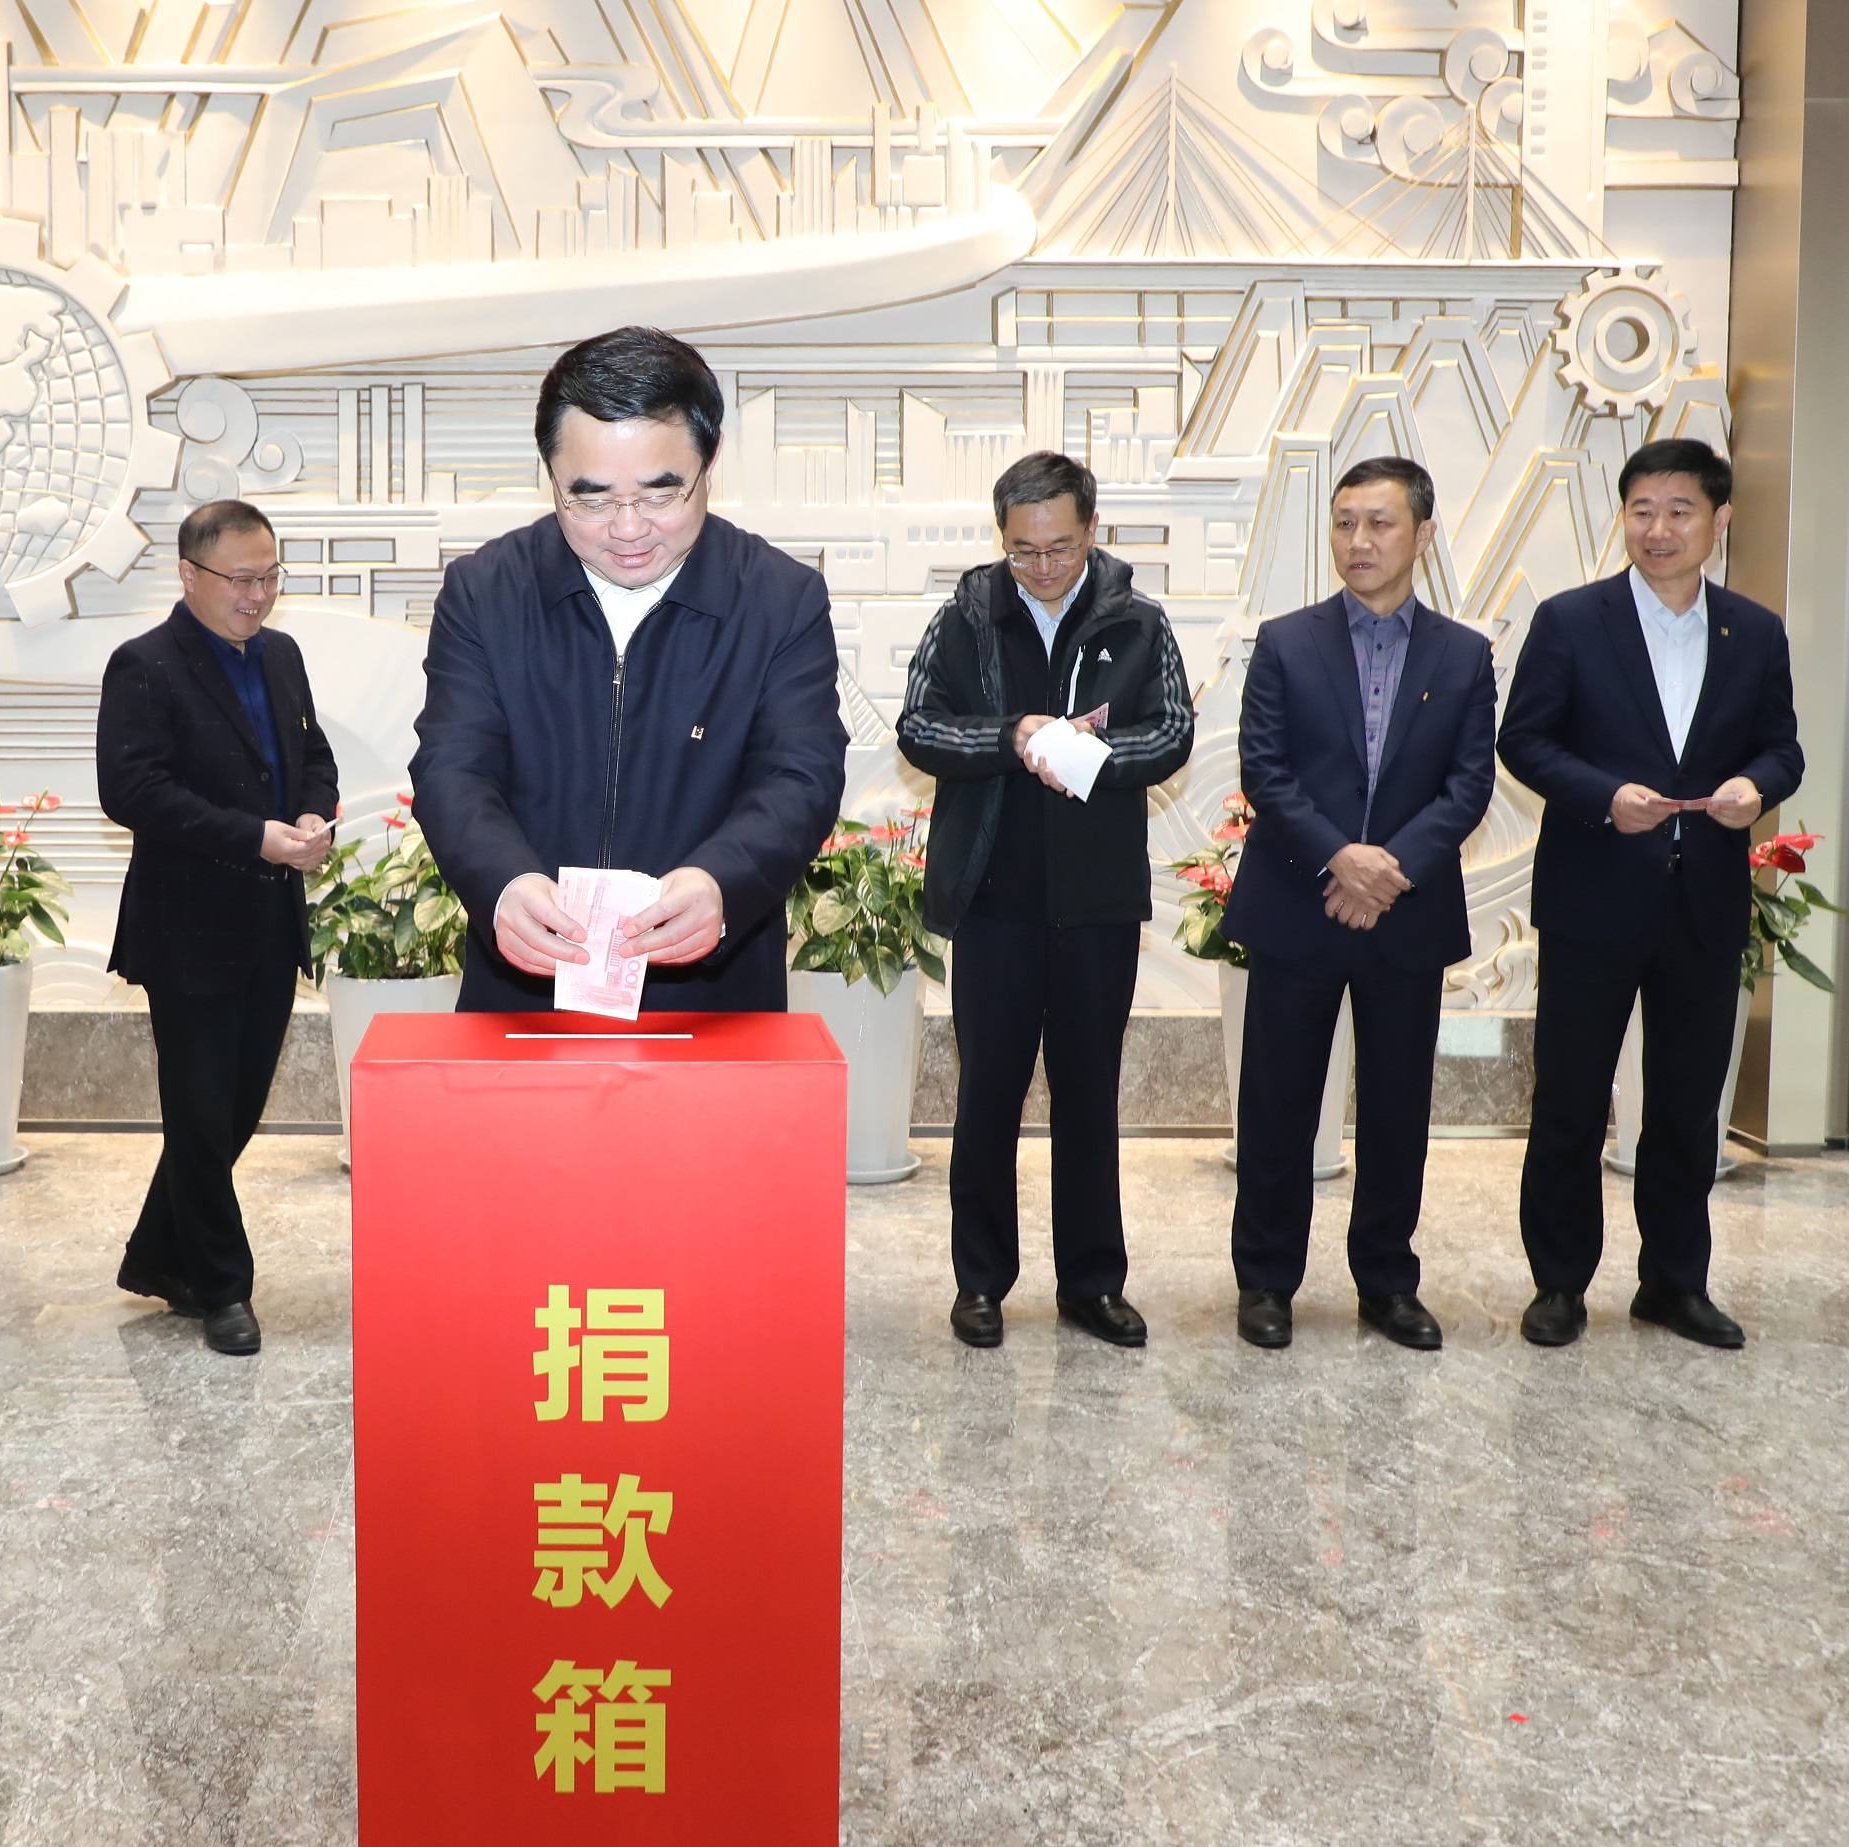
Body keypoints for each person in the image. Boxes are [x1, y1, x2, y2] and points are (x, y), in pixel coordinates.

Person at [411, 326, 847, 1013]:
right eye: (590, 499)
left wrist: (721, 882)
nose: (628, 527)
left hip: (712, 997)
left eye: (660, 494)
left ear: (710, 458)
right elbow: (452, 770)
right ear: (550, 475)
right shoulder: (486, 592)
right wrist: (503, 884)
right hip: (528, 988)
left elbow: (801, 777)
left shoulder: (778, 599)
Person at [1501, 437, 1802, 1350]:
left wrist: (1755, 787)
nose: (1658, 529)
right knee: (1569, 1101)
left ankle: (1674, 1283)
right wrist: (1604, 797)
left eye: (1679, 511)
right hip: (1594, 895)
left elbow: (1782, 747)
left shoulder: (1754, 631)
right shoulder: (1570, 621)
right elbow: (1525, 739)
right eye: (1642, 510)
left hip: (1703, 901)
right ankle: (1560, 1284)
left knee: (1685, 1107)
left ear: (1720, 520)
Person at [897, 451, 1192, 1350]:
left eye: (1060, 547)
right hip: (994, 898)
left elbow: (1172, 733)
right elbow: (918, 728)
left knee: (1089, 1096)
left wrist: (1088, 759)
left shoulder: (1137, 623)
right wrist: (1012, 737)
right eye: (1023, 551)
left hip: (1098, 903)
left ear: (1091, 530)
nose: (1043, 567)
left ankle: (1092, 1285)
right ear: (1003, 539)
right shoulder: (965, 619)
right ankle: (981, 1283)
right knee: (987, 1096)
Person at [1220, 457, 1500, 1351]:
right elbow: (1265, 771)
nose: (1359, 541)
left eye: (1379, 523)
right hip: (1298, 906)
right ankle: (1266, 1281)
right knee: (1277, 1108)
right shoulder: (1285, 642)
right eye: (1344, 523)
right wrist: (1342, 860)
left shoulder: (1464, 654)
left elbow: (1468, 785)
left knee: (1395, 1109)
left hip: (1405, 917)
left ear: (1423, 534)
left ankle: (1387, 1283)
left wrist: (1390, 871)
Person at [98, 499, 341, 1356]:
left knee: (235, 1108)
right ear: (189, 574)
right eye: (240, 579)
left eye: (269, 576)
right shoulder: (145, 664)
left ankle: (160, 1256)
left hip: (271, 917)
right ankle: (223, 1286)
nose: (257, 595)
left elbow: (313, 757)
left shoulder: (282, 655)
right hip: (187, 924)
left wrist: (311, 815)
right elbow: (132, 790)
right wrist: (252, 837)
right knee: (200, 1113)